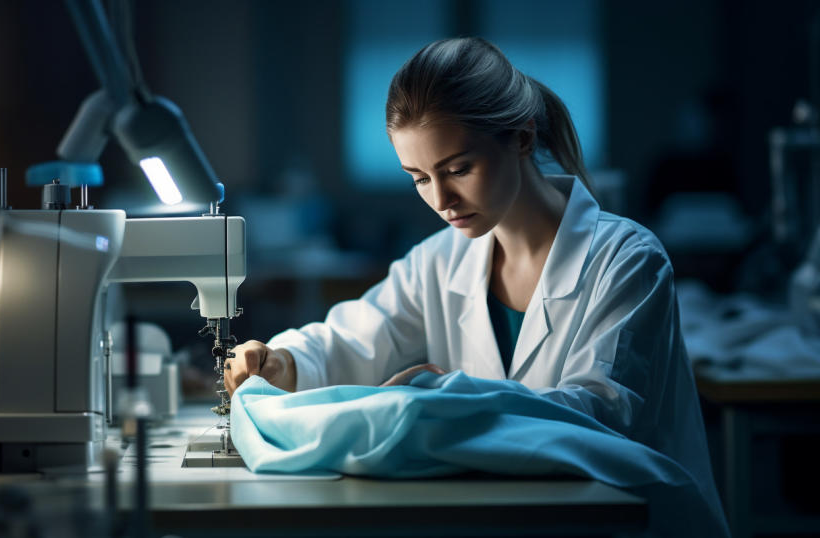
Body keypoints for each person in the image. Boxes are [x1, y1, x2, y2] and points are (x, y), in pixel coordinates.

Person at [224, 37, 717, 498]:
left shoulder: (626, 260)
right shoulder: (438, 261)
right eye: (419, 178)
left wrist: (443, 398)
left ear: (522, 138)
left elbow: (601, 418)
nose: (441, 199)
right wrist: (281, 361)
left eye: (459, 169)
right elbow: (352, 341)